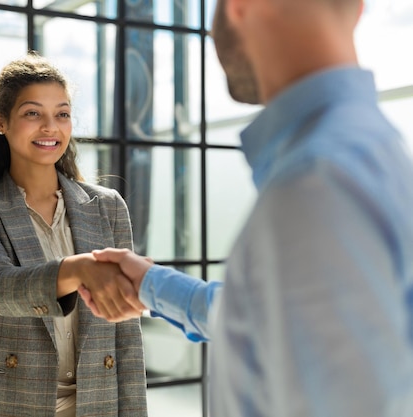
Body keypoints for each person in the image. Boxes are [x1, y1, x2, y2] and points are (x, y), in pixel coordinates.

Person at [79, 0, 413, 416]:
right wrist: (152, 286)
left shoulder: (316, 183)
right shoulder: (366, 151)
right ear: (358, 9)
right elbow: (271, 325)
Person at [0, 52, 147, 417]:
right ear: (1, 123)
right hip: (3, 405)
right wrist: (80, 269)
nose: (51, 127)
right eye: (33, 113)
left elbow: (126, 337)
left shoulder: (107, 207)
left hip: (94, 406)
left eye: (63, 114)